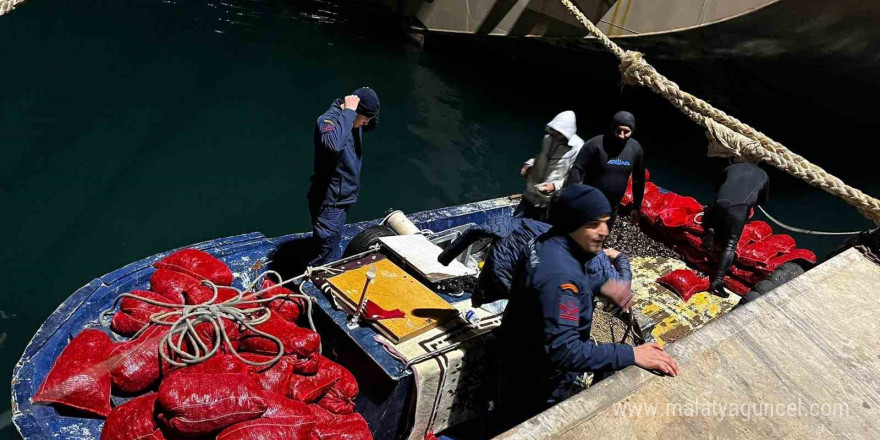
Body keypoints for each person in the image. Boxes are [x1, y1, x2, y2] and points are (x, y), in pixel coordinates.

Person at [496, 184, 678, 427]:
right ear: (572, 223)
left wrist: (607, 286)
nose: (604, 231)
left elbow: (573, 271)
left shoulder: (546, 240)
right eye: (593, 224)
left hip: (515, 346)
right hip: (536, 378)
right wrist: (631, 354)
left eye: (605, 222)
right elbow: (565, 351)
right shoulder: (562, 282)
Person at [307, 87, 379, 266]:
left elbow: (368, 120)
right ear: (353, 111)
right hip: (330, 201)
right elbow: (333, 145)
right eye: (365, 118)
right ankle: (315, 281)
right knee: (326, 248)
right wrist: (348, 111)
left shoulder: (354, 120)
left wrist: (365, 95)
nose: (367, 123)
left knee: (333, 241)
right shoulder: (328, 120)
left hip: (342, 198)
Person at [436, 216, 552, 307]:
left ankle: (477, 302)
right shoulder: (559, 243)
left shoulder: (510, 222)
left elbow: (474, 231)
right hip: (521, 280)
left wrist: (445, 258)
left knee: (486, 293)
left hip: (498, 270)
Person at [565, 111, 645, 230]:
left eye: (627, 132)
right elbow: (577, 169)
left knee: (600, 239)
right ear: (613, 128)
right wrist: (572, 198)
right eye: (619, 131)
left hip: (611, 210)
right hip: (588, 204)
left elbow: (638, 179)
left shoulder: (636, 149)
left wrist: (636, 207)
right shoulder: (595, 144)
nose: (622, 135)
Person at [702, 161, 769, 297]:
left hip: (720, 203)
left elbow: (717, 187)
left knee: (717, 213)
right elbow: (762, 201)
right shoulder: (763, 175)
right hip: (738, 209)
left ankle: (712, 228)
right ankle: (717, 281)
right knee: (730, 245)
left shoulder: (730, 167)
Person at [515, 111, 585, 221]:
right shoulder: (548, 138)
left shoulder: (578, 147)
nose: (556, 134)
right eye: (555, 130)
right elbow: (541, 157)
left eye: (559, 132)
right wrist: (529, 165)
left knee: (539, 228)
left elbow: (575, 176)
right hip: (530, 192)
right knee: (516, 221)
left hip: (549, 199)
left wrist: (554, 186)